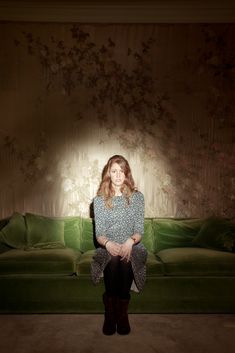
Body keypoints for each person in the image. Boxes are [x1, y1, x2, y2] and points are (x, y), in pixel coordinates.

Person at [91, 155, 147, 335]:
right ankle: (110, 313)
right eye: (114, 171)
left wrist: (130, 242)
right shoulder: (99, 200)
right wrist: (108, 244)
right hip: (107, 246)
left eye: (121, 171)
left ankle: (122, 313)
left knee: (125, 257)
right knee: (114, 258)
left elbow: (139, 230)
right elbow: (99, 234)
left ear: (127, 174)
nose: (117, 175)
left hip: (133, 245)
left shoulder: (137, 198)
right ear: (108, 173)